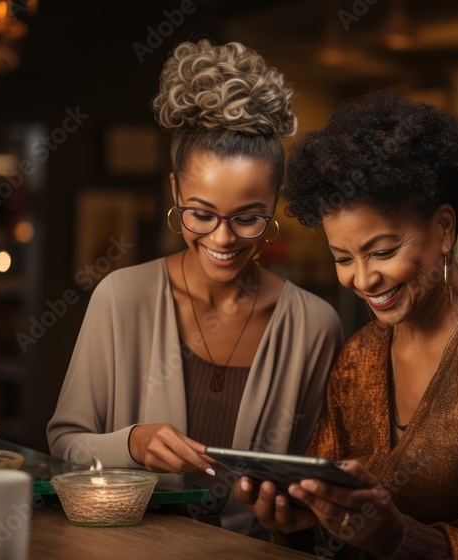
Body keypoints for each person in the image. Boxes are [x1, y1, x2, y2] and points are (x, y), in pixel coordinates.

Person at [235, 93, 458, 558]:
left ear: (444, 228)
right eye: (343, 258)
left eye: (383, 251)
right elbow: (330, 519)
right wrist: (299, 520)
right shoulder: (360, 357)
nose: (363, 279)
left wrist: (400, 538)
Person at [47, 40, 343, 536]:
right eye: (201, 214)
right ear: (174, 191)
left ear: (274, 206)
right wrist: (132, 444)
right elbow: (65, 444)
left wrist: (291, 513)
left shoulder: (314, 326)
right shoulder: (121, 298)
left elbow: (314, 489)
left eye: (249, 219)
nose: (223, 239)